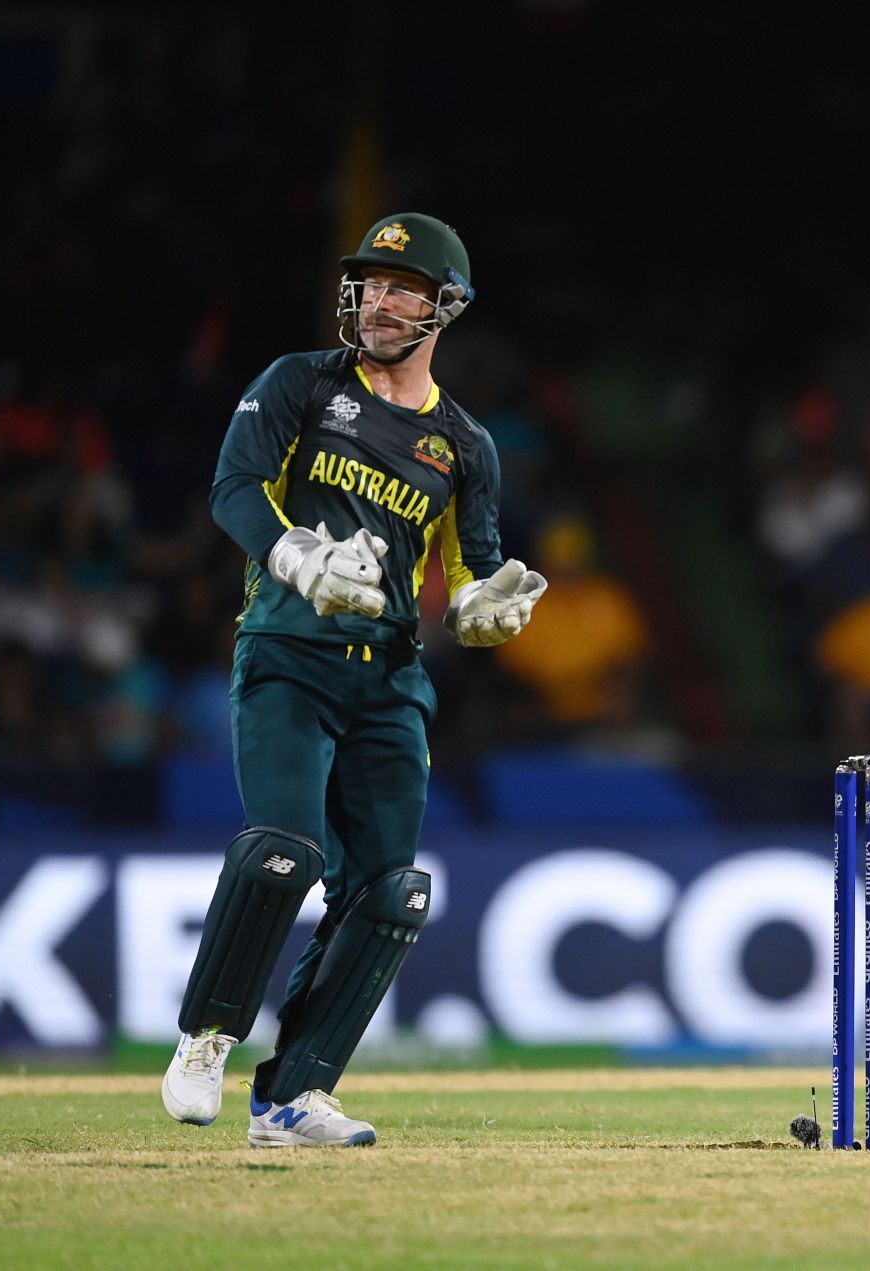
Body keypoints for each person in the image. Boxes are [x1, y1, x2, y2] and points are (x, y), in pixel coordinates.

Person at [160, 214, 548, 1147]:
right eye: (370, 281)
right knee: (285, 849)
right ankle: (206, 1035)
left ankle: (292, 1096)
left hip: (391, 683)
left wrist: (485, 612)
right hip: (288, 655)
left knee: (391, 891)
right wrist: (295, 556)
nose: (378, 298)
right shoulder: (300, 382)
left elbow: (474, 574)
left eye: (401, 285)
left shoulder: (464, 444)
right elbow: (235, 486)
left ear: (443, 307)